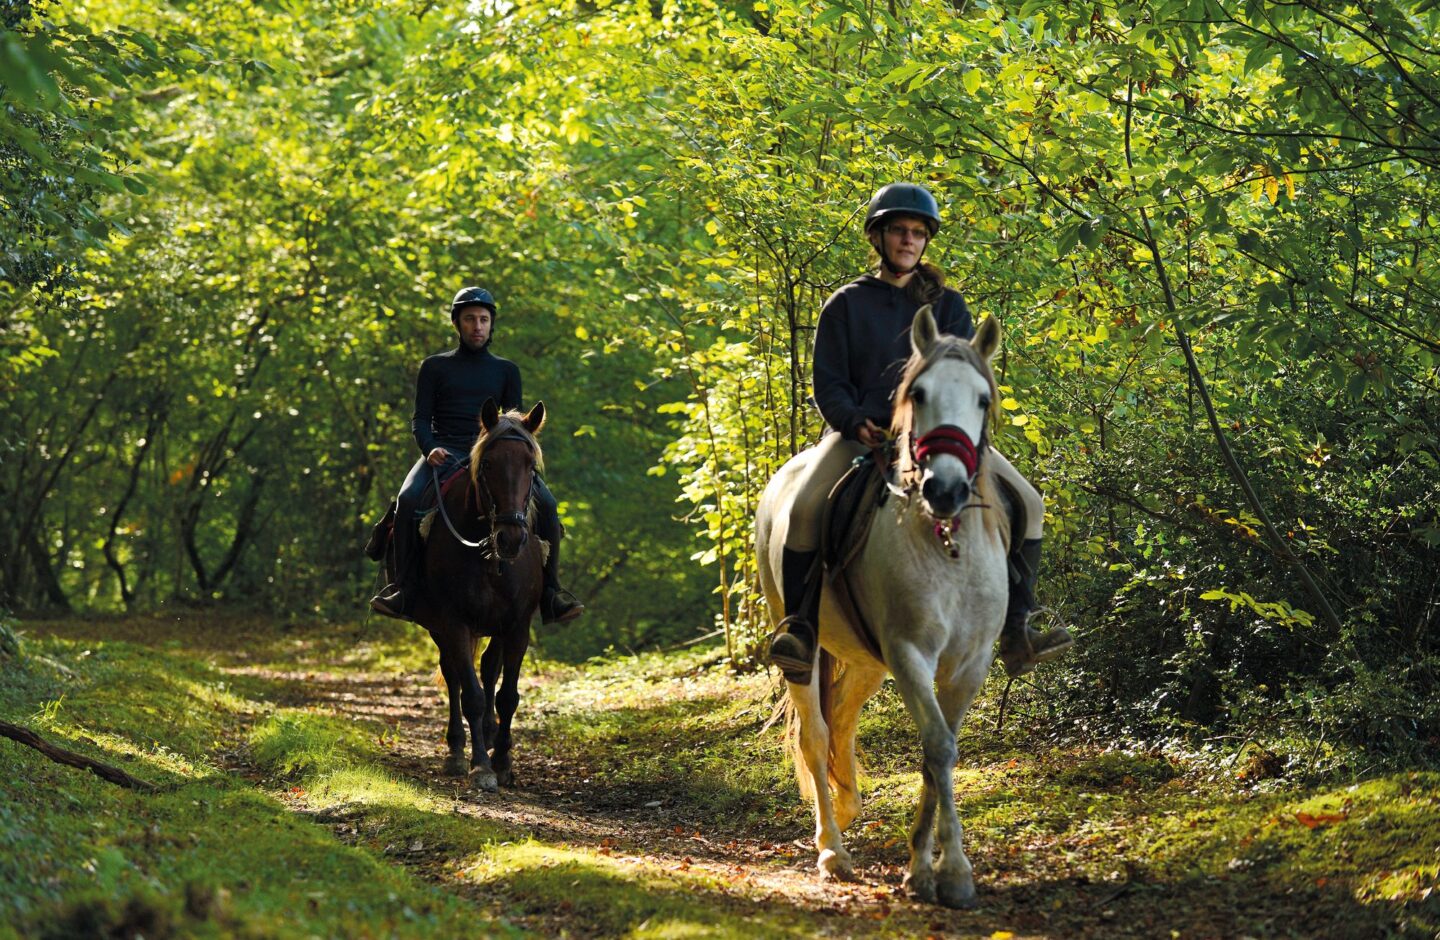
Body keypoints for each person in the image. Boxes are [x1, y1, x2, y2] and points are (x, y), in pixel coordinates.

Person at [765, 183, 1073, 682]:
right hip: (862, 436)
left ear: (925, 241)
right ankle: (800, 627)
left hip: (937, 438)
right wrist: (851, 421)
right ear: (879, 237)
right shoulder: (846, 304)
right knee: (802, 508)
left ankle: (1021, 625)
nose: (908, 241)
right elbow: (829, 381)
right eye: (899, 231)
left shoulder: (948, 306)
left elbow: (963, 374)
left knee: (1030, 503)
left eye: (916, 233)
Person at [370, 286, 584, 625]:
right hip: (444, 452)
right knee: (408, 499)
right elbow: (420, 419)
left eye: (484, 320)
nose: (477, 326)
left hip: (495, 457)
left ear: (491, 325)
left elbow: (514, 425)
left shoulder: (506, 370)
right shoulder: (435, 367)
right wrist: (430, 448)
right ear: (457, 324)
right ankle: (403, 590)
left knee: (549, 505)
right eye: (470, 319)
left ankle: (552, 593)